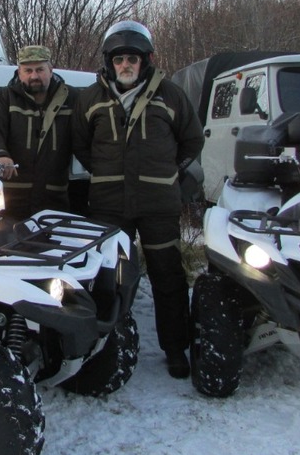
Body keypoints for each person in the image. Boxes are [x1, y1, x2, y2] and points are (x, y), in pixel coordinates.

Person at [73, 21, 204, 379]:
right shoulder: (91, 98)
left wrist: (169, 172)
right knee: (109, 278)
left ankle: (176, 348)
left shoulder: (171, 95)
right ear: (109, 62)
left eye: (132, 58)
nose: (125, 65)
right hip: (109, 205)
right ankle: (106, 348)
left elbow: (193, 141)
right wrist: (105, 172)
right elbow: (80, 145)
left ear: (145, 60)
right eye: (119, 59)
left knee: (168, 276)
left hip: (158, 204)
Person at [0, 45, 77, 220]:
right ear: (19, 72)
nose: (34, 76)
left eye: (40, 69)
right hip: (11, 199)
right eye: (28, 70)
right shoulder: (3, 98)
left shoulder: (72, 99)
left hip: (54, 199)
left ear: (51, 70)